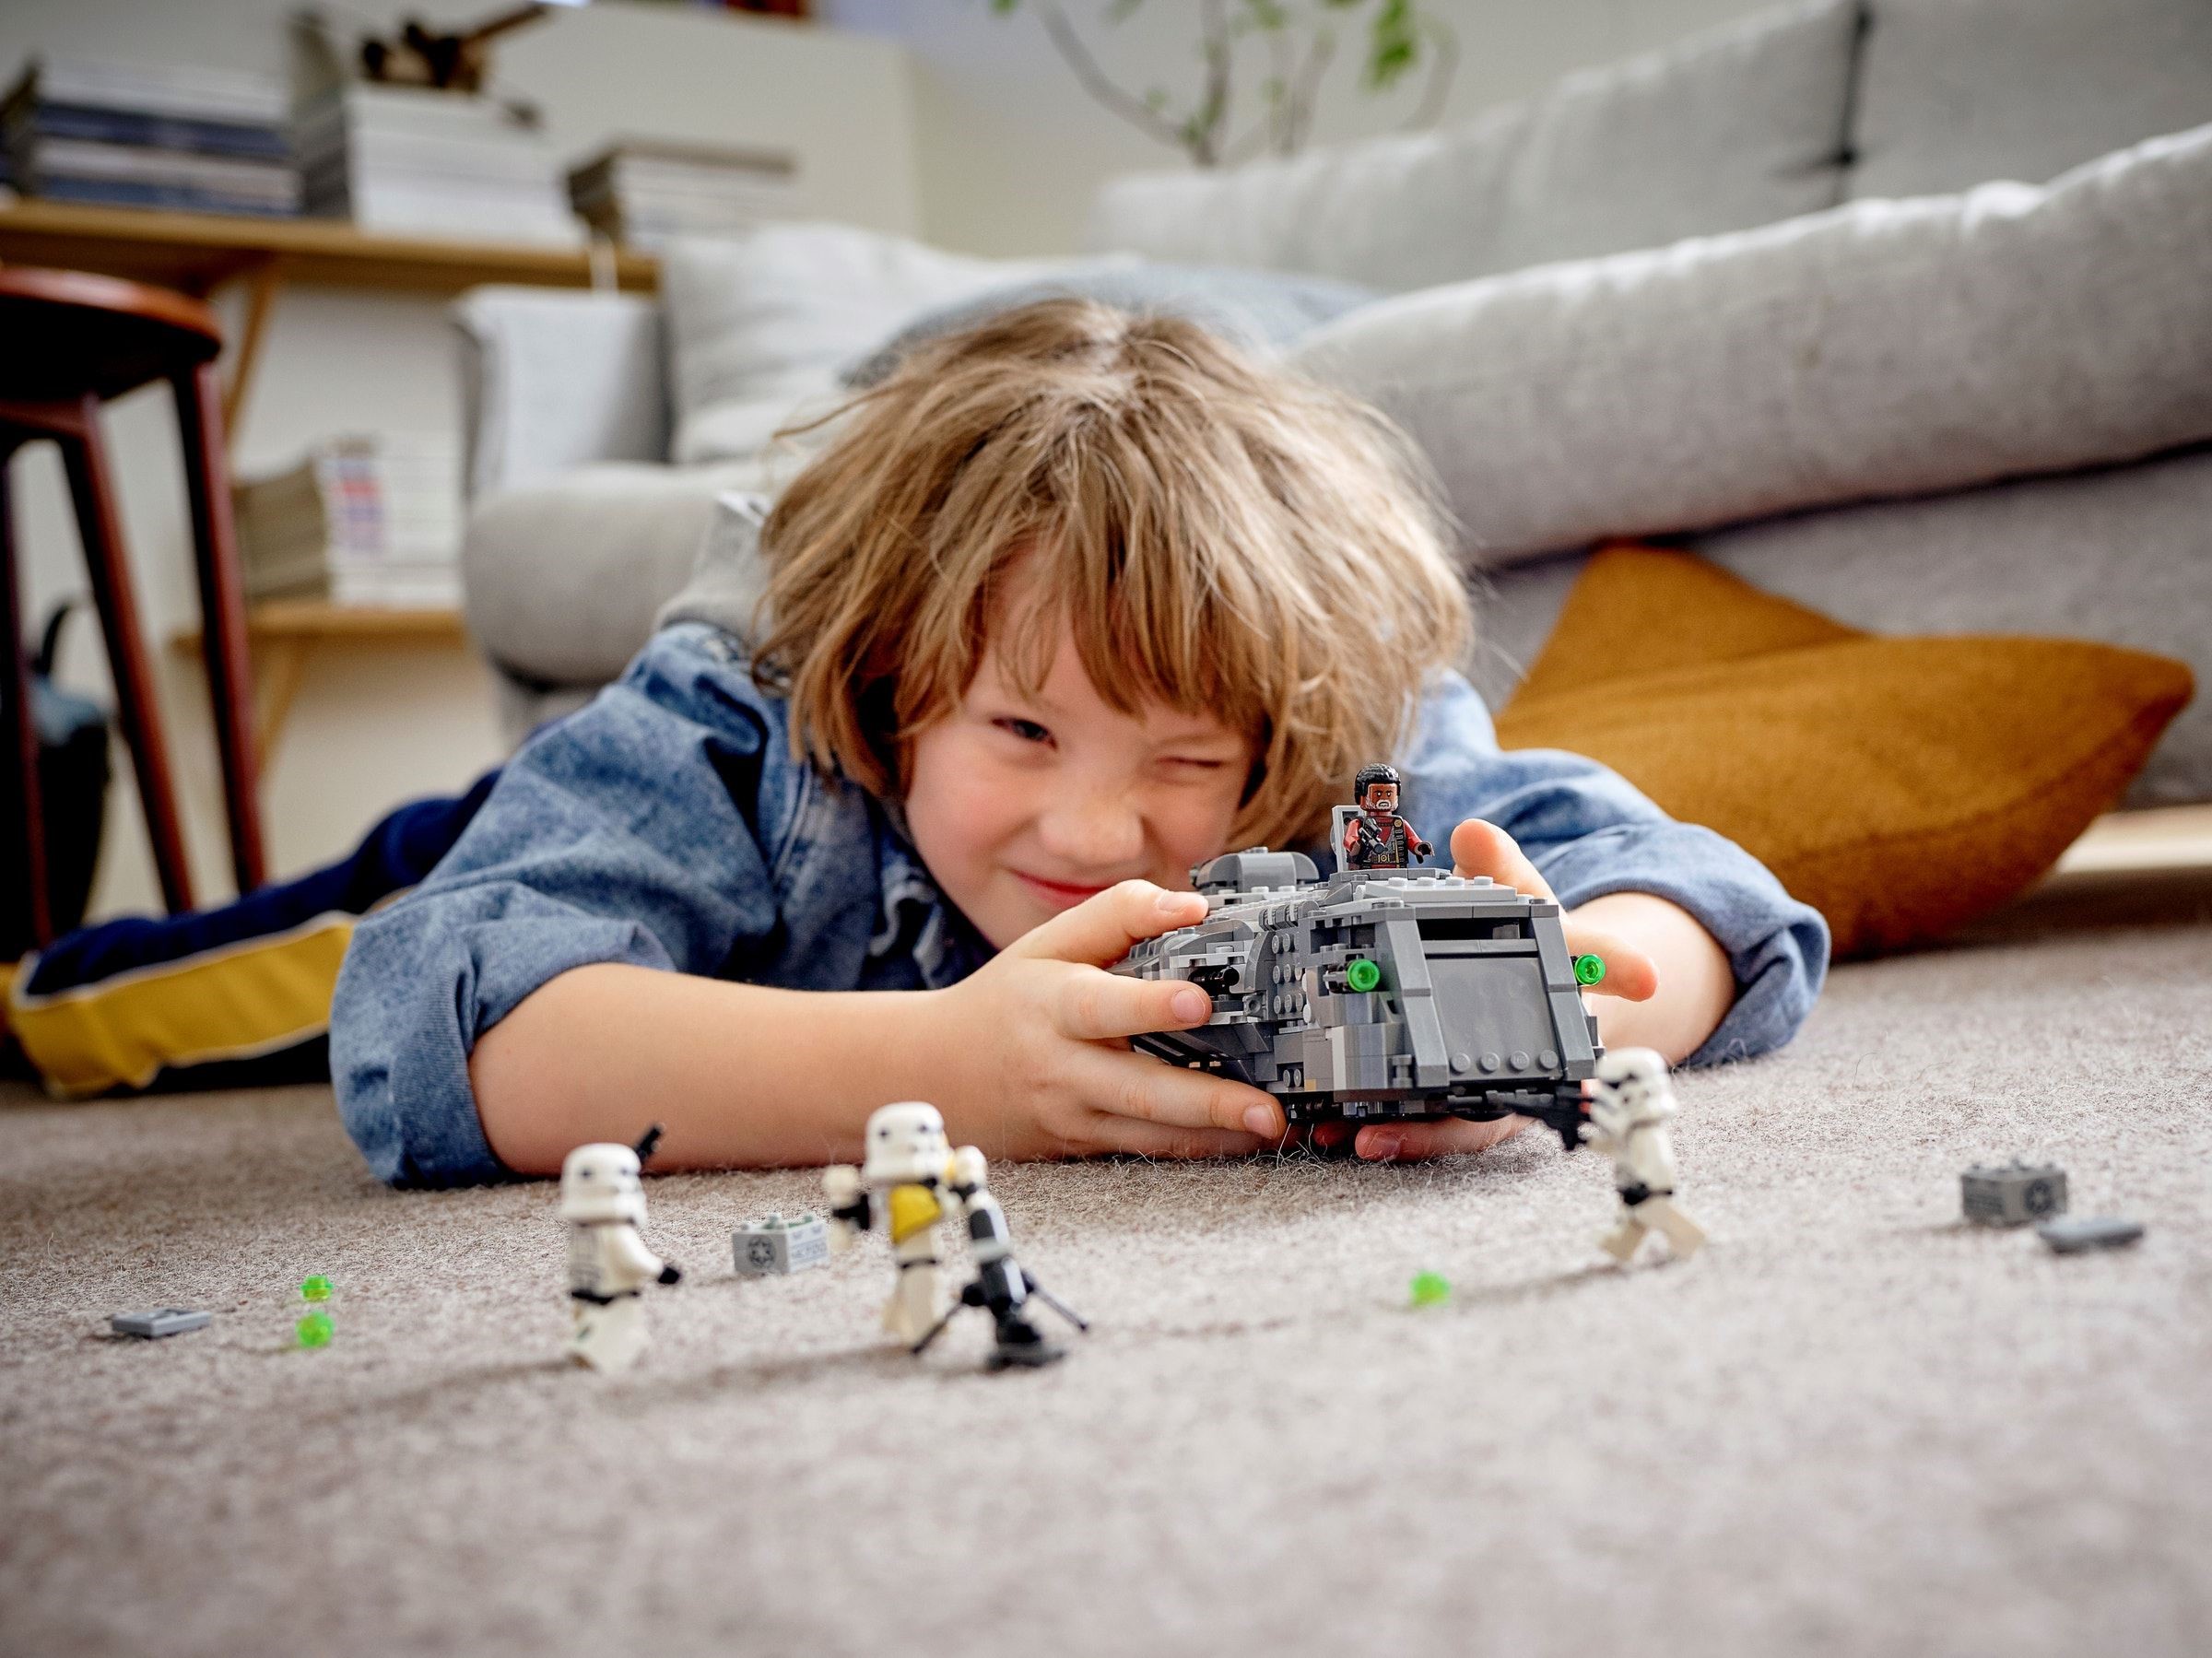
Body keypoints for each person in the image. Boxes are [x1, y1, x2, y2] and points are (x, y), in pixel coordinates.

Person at [8, 300, 1827, 1182]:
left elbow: (1691, 898)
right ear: (891, 682)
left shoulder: (1329, 699)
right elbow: (443, 1025)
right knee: (168, 999)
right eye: (1022, 727)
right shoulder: (746, 712)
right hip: (565, 861)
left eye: (1184, 761)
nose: (1096, 829)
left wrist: (1554, 1008)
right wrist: (952, 1068)